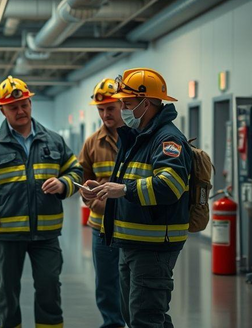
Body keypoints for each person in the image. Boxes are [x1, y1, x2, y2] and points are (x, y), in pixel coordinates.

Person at [0, 76, 83, 328]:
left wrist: (64, 184)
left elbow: (76, 171)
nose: (21, 111)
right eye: (13, 107)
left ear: (30, 103)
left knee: (50, 290)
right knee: (7, 295)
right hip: (6, 233)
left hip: (47, 234)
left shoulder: (53, 140)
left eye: (24, 105)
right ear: (2, 109)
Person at [80, 68, 192, 328]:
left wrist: (125, 190)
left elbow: (171, 185)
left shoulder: (167, 140)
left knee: (145, 318)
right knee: (137, 315)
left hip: (152, 246)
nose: (121, 109)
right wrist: (102, 187)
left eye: (127, 104)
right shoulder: (139, 138)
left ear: (147, 103)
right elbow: (128, 180)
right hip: (130, 241)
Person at [78, 78, 125, 328]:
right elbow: (83, 181)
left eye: (110, 108)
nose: (105, 114)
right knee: (106, 284)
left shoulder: (138, 139)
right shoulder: (92, 143)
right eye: (101, 109)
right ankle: (113, 324)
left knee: (132, 284)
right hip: (101, 227)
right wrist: (89, 197)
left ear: (123, 105)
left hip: (132, 226)